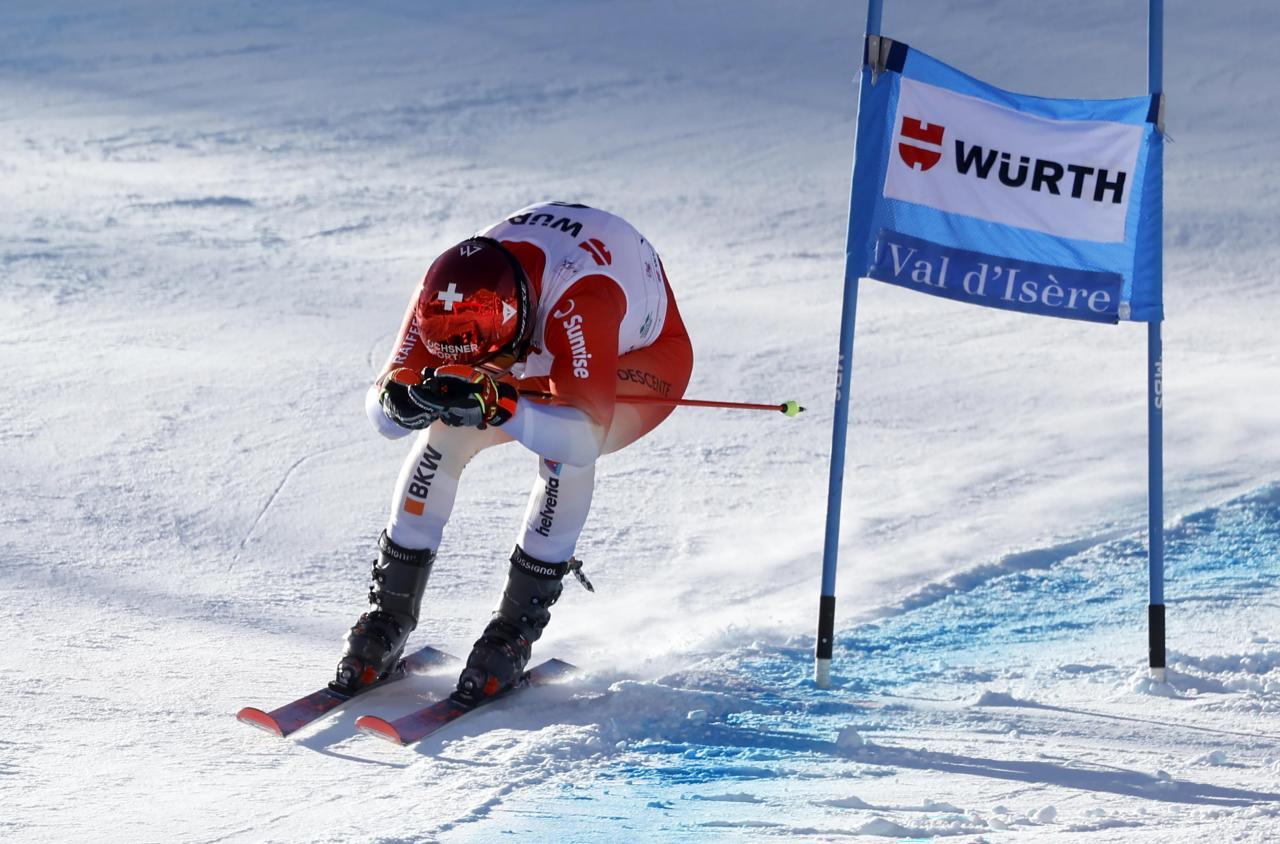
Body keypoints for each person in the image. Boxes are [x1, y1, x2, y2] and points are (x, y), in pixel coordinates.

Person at [331, 202, 693, 704]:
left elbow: (581, 437)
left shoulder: (581, 300)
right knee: (443, 433)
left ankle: (513, 630)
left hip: (636, 355)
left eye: (494, 361)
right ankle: (389, 613)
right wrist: (402, 400)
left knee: (563, 455)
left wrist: (505, 407)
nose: (489, 370)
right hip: (537, 333)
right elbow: (383, 414)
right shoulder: (441, 294)